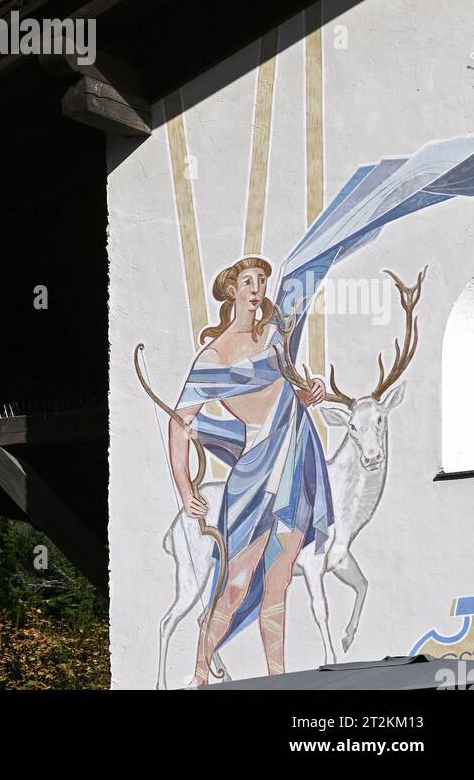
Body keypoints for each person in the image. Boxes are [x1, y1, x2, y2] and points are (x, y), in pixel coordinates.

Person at [169, 256, 331, 685]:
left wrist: (311, 389)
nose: (258, 288)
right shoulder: (213, 357)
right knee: (237, 584)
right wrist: (185, 489)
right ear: (232, 291)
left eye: (262, 280)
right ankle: (199, 674)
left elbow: (295, 390)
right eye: (248, 281)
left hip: (295, 466)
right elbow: (180, 423)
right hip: (253, 476)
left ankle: (277, 678)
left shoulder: (275, 340)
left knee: (278, 585)